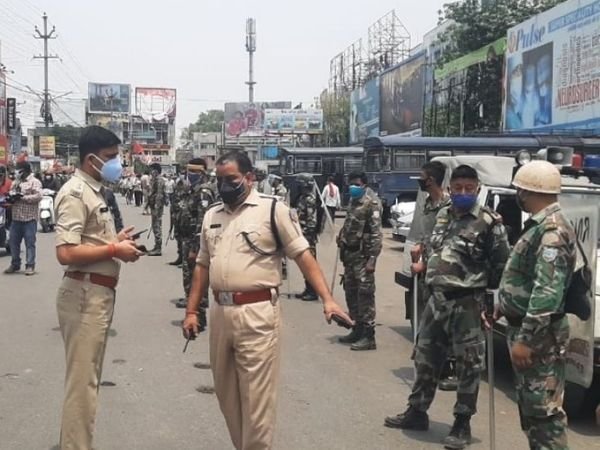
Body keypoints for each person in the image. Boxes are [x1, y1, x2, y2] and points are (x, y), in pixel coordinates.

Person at [182, 151, 352, 450]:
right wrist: (192, 311)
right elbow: (202, 266)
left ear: (249, 178)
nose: (224, 186)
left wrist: (328, 299)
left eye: (231, 179)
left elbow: (303, 255)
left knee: (256, 401)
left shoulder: (273, 210)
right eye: (219, 179)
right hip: (221, 313)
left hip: (257, 313)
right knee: (227, 395)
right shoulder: (212, 215)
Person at [384, 165, 510, 450]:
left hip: (467, 302)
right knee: (425, 356)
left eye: (469, 188)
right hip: (436, 299)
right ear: (450, 189)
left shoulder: (489, 222)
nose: (463, 193)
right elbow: (436, 249)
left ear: (477, 189)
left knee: (468, 365)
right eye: (458, 188)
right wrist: (424, 262)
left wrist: (483, 296)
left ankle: (462, 422)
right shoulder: (443, 215)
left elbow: (501, 265)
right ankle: (417, 411)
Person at [54, 125, 141, 450]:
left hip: (96, 294)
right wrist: (113, 249)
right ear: (91, 159)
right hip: (84, 295)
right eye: (111, 157)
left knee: (87, 383)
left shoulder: (94, 191)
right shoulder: (76, 193)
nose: (117, 163)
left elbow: (87, 242)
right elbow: (66, 253)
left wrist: (114, 242)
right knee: (82, 387)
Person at [491, 161, 575, 450]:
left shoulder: (551, 231)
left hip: (540, 338)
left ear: (527, 191)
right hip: (531, 330)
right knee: (532, 411)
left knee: (543, 415)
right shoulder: (539, 226)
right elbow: (527, 278)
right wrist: (505, 305)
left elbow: (547, 292)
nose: (519, 195)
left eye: (520, 190)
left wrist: (526, 340)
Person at [409, 161, 457, 391]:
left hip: (444, 273)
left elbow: (449, 246)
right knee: (429, 320)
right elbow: (427, 235)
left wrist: (425, 265)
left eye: (422, 177)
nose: (419, 180)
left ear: (431, 180)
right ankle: (432, 365)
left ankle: (450, 370)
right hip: (428, 273)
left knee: (445, 323)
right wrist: (419, 245)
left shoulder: (450, 206)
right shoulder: (428, 204)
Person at [337, 171, 383, 351]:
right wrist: (342, 236)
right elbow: (350, 222)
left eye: (356, 184)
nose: (353, 187)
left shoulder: (372, 203)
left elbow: (376, 233)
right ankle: (357, 329)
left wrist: (372, 259)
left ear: (364, 185)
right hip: (350, 255)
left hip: (363, 257)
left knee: (365, 295)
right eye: (351, 184)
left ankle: (369, 336)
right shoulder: (353, 201)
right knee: (351, 292)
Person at [174, 159, 215, 320]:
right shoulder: (191, 190)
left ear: (202, 173)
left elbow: (202, 220)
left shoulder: (204, 191)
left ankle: (199, 314)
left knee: (197, 276)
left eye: (194, 172)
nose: (190, 175)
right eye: (189, 171)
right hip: (187, 238)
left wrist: (196, 247)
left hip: (195, 241)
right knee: (188, 274)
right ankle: (192, 305)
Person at [4, 161, 42, 276]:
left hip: (29, 219)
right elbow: (11, 193)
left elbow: (39, 196)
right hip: (16, 218)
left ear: (25, 170)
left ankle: (30, 265)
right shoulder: (16, 182)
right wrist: (11, 197)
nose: (17, 172)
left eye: (18, 170)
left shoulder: (34, 182)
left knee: (30, 243)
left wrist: (23, 197)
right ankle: (15, 264)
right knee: (13, 242)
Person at [294, 173, 319, 301]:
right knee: (304, 264)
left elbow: (312, 221)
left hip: (307, 236)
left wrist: (306, 234)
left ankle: (313, 291)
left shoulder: (310, 199)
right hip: (302, 234)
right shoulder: (302, 198)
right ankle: (308, 288)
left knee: (310, 264)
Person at [168, 173, 189, 266]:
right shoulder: (176, 193)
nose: (179, 186)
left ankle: (185, 259)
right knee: (178, 237)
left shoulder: (186, 195)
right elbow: (173, 206)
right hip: (176, 218)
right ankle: (180, 257)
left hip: (183, 219)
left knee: (184, 240)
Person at [147, 163, 166, 256]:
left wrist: (156, 206)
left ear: (156, 171)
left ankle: (158, 248)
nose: (151, 172)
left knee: (157, 225)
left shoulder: (159, 180)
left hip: (156, 206)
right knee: (155, 226)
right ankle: (156, 246)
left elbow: (159, 194)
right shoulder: (155, 179)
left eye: (152, 170)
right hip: (154, 205)